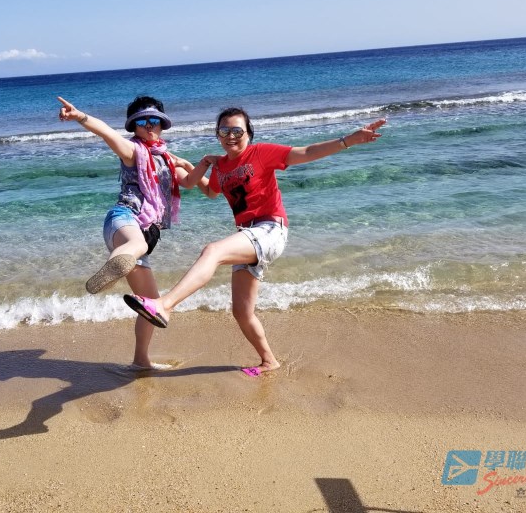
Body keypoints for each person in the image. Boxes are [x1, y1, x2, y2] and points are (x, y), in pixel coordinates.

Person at [123, 107, 386, 376]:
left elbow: (306, 152)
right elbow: (211, 191)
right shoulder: (222, 166)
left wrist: (347, 141)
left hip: (270, 229)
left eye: (237, 131)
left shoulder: (261, 153)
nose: (231, 136)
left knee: (213, 251)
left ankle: (165, 305)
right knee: (242, 311)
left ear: (249, 134)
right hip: (247, 235)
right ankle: (269, 361)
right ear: (218, 135)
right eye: (224, 131)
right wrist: (193, 166)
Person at [57, 95, 207, 369]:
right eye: (142, 121)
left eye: (154, 120)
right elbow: (106, 132)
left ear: (162, 124)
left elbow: (189, 183)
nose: (149, 126)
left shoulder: (165, 159)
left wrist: (194, 164)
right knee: (137, 244)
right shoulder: (132, 151)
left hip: (143, 236)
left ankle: (140, 361)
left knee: (151, 304)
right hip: (123, 220)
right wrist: (79, 116)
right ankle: (114, 265)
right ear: (133, 126)